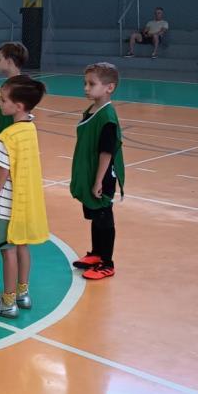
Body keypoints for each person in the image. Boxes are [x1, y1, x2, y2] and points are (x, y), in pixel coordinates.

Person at [0, 75, 49, 319]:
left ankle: (7, 302)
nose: (0, 102)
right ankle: (22, 293)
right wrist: (2, 94)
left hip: (5, 205)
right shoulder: (29, 128)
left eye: (4, 100)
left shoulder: (7, 137)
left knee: (6, 251)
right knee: (22, 246)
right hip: (22, 203)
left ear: (18, 106)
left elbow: (3, 172)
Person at [69, 62, 125, 281]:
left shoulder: (107, 117)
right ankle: (96, 254)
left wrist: (98, 180)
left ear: (109, 87)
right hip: (92, 172)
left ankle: (107, 263)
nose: (86, 88)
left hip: (102, 175)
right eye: (85, 83)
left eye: (92, 84)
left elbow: (106, 152)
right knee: (96, 215)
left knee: (104, 215)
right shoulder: (93, 110)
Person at [0, 41, 29, 135]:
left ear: (9, 61)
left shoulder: (21, 85)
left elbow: (14, 108)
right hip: (3, 133)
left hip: (12, 135)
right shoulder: (7, 84)